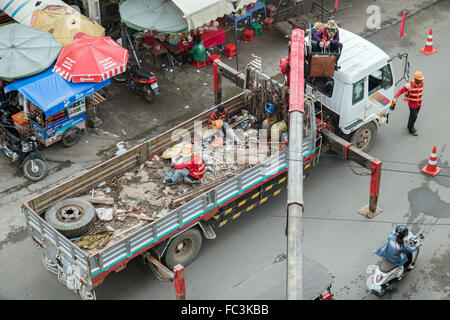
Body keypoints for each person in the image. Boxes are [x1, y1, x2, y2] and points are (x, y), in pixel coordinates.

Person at [390, 71, 424, 136]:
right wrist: (395, 97)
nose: (422, 80)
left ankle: (409, 125)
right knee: (414, 116)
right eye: (420, 79)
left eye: (422, 79)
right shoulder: (409, 85)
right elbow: (401, 91)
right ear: (416, 79)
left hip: (419, 103)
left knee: (413, 115)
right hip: (412, 104)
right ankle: (411, 129)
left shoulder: (422, 83)